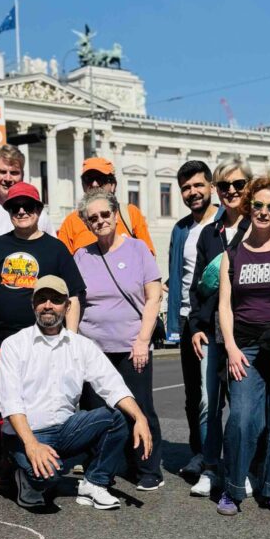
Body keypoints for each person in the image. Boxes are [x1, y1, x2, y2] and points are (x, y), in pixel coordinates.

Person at [0, 275, 153, 510]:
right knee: (48, 477)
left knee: (118, 417)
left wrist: (140, 418)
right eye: (42, 299)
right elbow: (10, 403)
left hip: (65, 430)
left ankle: (94, 483)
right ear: (33, 304)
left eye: (56, 300)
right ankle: (23, 475)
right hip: (26, 435)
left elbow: (113, 385)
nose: (48, 305)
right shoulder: (14, 344)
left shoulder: (82, 346)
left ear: (67, 306)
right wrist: (31, 444)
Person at [0, 182, 85, 487]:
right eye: (14, 207)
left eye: (28, 206)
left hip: (47, 341)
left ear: (39, 210)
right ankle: (11, 462)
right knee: (7, 404)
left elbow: (74, 297)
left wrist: (70, 338)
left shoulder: (55, 248)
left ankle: (35, 460)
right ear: (7, 211)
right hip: (2, 341)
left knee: (40, 402)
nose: (21, 211)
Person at [216, 174, 270, 515]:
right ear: (249, 208)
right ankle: (233, 488)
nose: (264, 212)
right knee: (240, 417)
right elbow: (225, 305)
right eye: (258, 205)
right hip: (245, 347)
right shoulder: (232, 254)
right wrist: (232, 348)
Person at [73, 189, 164, 491]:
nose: (100, 221)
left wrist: (142, 340)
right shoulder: (81, 255)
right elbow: (76, 302)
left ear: (115, 214)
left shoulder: (138, 250)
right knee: (97, 413)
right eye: (92, 218)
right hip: (93, 349)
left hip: (130, 346)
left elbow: (153, 299)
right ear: (86, 223)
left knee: (140, 407)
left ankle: (147, 467)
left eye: (104, 214)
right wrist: (73, 343)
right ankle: (101, 469)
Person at [187, 157, 253, 497]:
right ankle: (211, 467)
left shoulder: (260, 227)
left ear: (249, 187)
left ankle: (243, 469)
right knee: (208, 403)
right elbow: (198, 286)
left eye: (238, 185)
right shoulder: (209, 235)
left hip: (246, 333)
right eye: (224, 186)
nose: (231, 192)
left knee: (244, 407)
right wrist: (196, 324)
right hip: (211, 332)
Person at [165, 159, 217, 479]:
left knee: (228, 395)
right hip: (188, 320)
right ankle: (199, 452)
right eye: (186, 188)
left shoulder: (227, 222)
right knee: (193, 395)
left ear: (211, 186)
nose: (193, 192)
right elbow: (176, 276)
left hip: (220, 320)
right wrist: (174, 322)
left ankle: (238, 455)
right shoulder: (181, 228)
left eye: (199, 185)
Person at [0, 144, 54, 269]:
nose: (8, 178)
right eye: (2, 172)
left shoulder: (39, 216)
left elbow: (53, 257)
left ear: (22, 175)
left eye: (14, 173)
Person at [56, 157, 155, 255]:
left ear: (112, 185)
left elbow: (148, 257)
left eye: (100, 179)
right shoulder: (71, 221)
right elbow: (61, 263)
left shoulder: (130, 213)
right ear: (83, 185)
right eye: (88, 179)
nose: (94, 184)